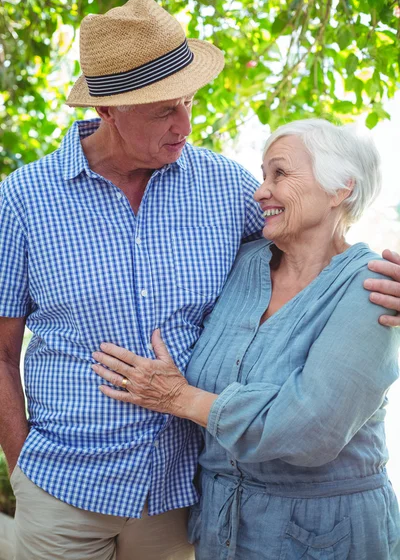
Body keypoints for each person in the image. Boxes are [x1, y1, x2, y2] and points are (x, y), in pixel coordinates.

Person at [0, 0, 399, 560]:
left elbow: (306, 250)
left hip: (180, 493)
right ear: (109, 110)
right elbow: (2, 352)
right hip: (64, 487)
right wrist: (23, 468)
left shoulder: (225, 187)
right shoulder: (22, 202)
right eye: (164, 110)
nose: (185, 124)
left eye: (188, 101)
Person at [93, 119, 400, 560]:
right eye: (262, 175)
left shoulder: (372, 289)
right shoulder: (245, 264)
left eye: (280, 174)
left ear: (340, 190)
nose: (260, 191)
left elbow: (309, 428)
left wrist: (179, 398)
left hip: (325, 534)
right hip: (223, 530)